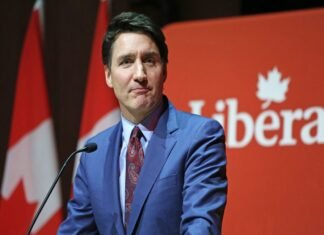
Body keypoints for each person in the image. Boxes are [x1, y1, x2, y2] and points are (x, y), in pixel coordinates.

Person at [58, 12, 227, 235]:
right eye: (126, 62)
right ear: (108, 75)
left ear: (164, 70)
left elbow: (200, 227)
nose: (140, 74)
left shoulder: (200, 136)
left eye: (149, 60)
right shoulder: (93, 153)